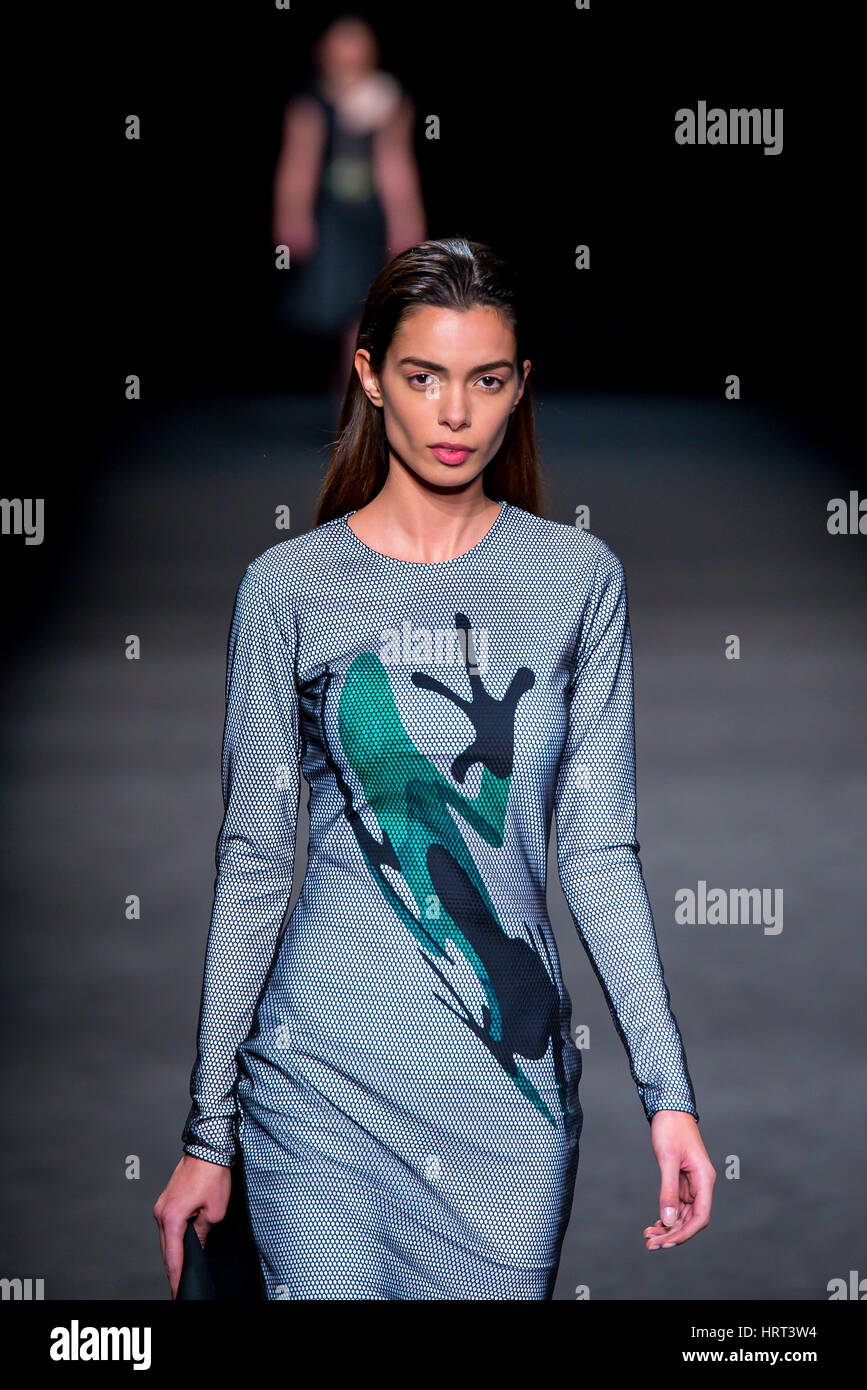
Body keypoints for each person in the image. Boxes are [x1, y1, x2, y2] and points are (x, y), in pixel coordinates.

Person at [154, 237, 716, 1300]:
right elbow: (252, 857)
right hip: (319, 1082)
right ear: (369, 375)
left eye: (486, 380)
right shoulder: (289, 589)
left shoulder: (575, 581)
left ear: (519, 389)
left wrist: (669, 1094)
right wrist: (207, 1132)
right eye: (423, 377)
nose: (455, 413)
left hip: (507, 1095)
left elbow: (596, 850)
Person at [272, 14, 426, 393]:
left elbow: (396, 165)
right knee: (343, 310)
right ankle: (350, 400)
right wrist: (292, 216)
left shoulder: (388, 98)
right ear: (323, 51)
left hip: (369, 217)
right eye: (342, 42)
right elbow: (298, 164)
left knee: (366, 309)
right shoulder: (311, 103)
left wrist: (407, 222)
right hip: (331, 218)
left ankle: (358, 401)